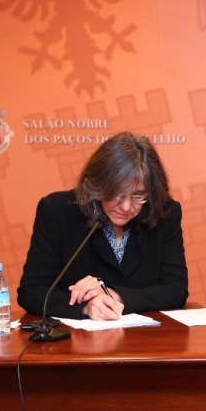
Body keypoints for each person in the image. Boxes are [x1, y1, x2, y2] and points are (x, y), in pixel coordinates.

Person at [18, 132, 188, 320]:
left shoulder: (164, 213)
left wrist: (114, 295)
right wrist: (86, 306)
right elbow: (32, 291)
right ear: (96, 184)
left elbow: (176, 290)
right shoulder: (57, 211)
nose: (126, 206)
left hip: (146, 335)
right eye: (118, 193)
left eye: (138, 195)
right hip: (77, 337)